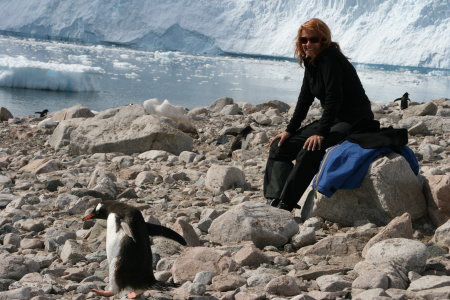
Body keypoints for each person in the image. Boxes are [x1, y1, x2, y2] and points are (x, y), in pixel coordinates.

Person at [264, 18, 374, 211]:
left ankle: (285, 204)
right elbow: (305, 98)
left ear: (324, 40)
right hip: (334, 119)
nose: (308, 44)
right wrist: (290, 130)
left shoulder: (331, 58)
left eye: (313, 39)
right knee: (279, 147)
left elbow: (334, 98)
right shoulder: (311, 61)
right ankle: (273, 199)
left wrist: (321, 133)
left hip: (354, 120)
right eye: (304, 40)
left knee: (311, 149)